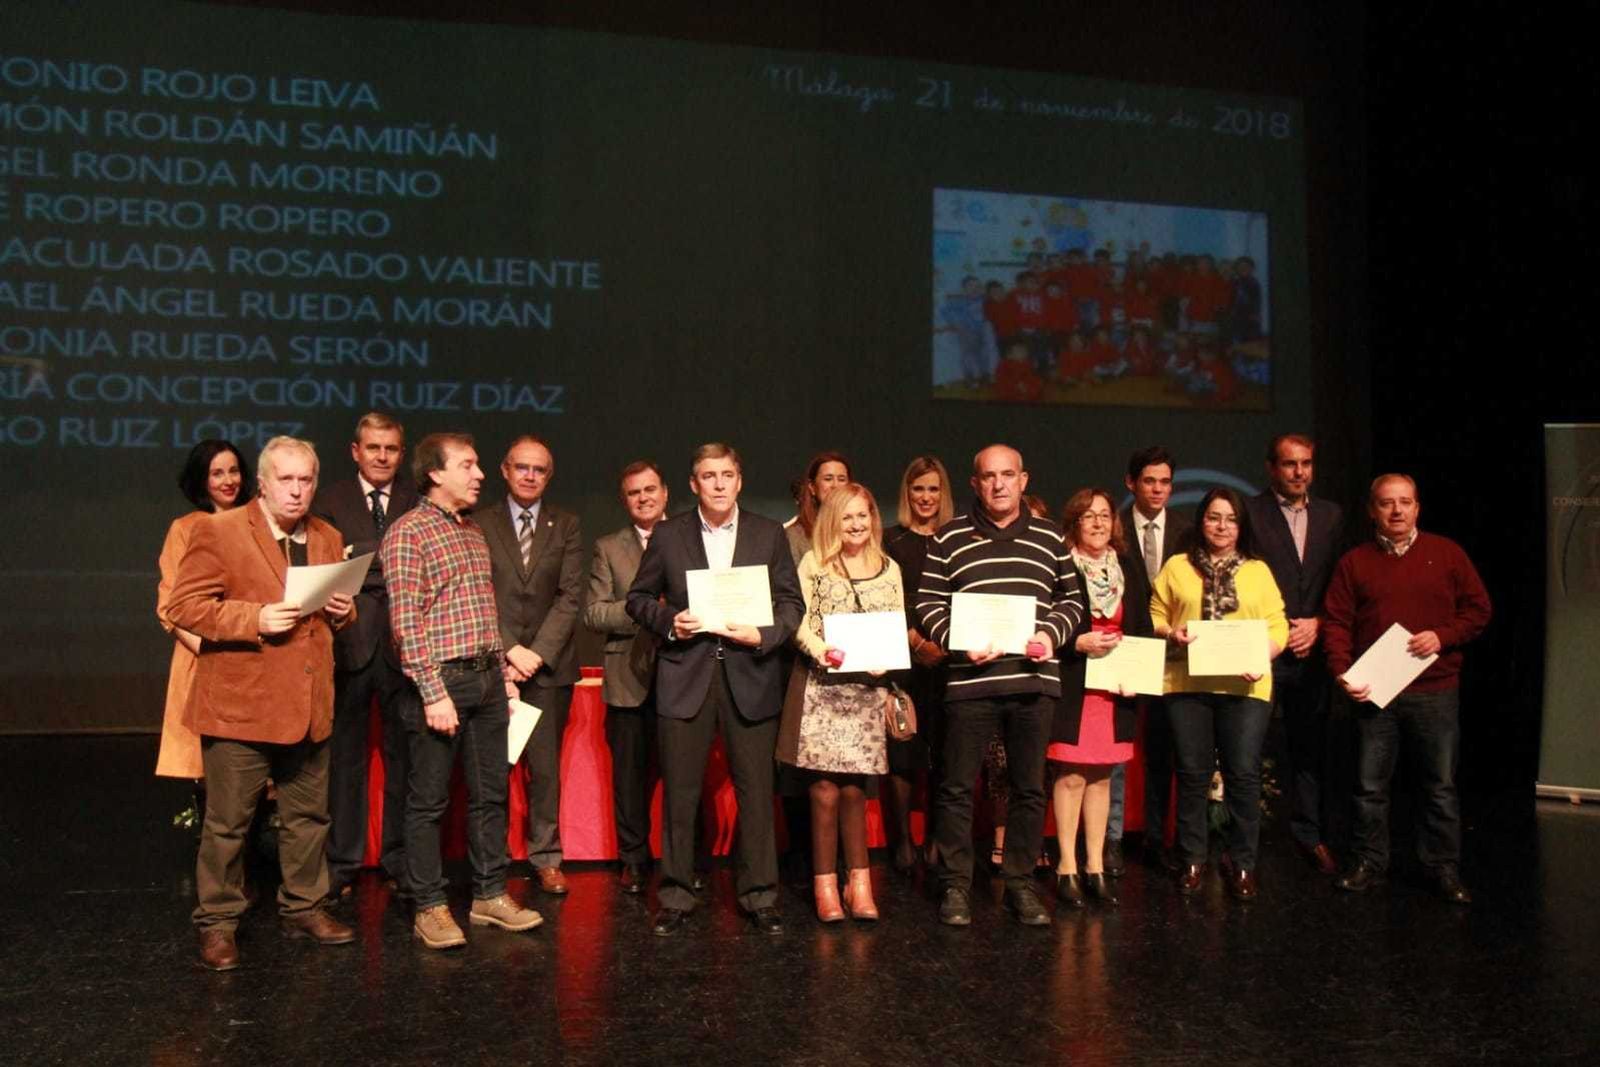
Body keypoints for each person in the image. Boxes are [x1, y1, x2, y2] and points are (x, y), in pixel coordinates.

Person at [167, 436, 356, 970]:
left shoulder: (327, 535)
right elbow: (184, 606)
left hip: (308, 705)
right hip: (240, 707)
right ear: (263, 483)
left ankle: (304, 906)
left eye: (306, 480)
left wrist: (344, 611)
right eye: (286, 480)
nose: (297, 491)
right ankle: (218, 922)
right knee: (228, 823)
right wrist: (253, 618)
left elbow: (335, 619)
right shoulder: (219, 531)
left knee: (308, 817)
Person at [627, 443, 804, 937]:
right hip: (686, 676)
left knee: (756, 794)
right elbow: (637, 598)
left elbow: (791, 604)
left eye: (727, 474)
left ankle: (760, 895)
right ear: (694, 484)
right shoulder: (669, 535)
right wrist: (670, 621)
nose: (719, 484)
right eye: (709, 476)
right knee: (681, 795)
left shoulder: (768, 534)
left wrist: (763, 634)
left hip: (751, 676)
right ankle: (676, 895)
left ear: (740, 480)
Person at [383, 433, 544, 950]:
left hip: (487, 682)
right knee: (428, 802)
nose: (480, 475)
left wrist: (501, 674)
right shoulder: (408, 532)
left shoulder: (472, 532)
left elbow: (481, 612)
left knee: (490, 795)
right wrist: (433, 693)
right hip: (441, 683)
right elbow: (406, 622)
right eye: (468, 465)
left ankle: (489, 894)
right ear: (435, 473)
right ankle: (429, 905)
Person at [916, 444, 1088, 927]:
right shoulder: (949, 537)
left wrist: (1049, 634)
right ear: (975, 484)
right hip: (970, 682)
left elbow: (1073, 601)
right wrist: (959, 641)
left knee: (1028, 788)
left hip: (1032, 682)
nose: (999, 484)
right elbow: (927, 603)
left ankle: (1020, 884)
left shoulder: (1050, 537)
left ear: (1023, 480)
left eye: (1008, 475)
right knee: (956, 787)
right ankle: (955, 885)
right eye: (989, 476)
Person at [1324, 474, 1491, 905]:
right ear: (1372, 510)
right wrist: (1342, 671)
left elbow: (1478, 610)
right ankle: (1368, 862)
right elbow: (1338, 622)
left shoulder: (1447, 553)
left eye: (1405, 502)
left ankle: (1442, 867)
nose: (1396, 510)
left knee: (1439, 785)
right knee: (1369, 787)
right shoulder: (1354, 562)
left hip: (1435, 690)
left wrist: (1442, 636)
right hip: (1376, 692)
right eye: (1386, 503)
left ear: (1417, 508)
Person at [1149, 487, 1287, 900]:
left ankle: (1242, 863)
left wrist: (1262, 656)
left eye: (1230, 519)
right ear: (1201, 521)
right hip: (1187, 685)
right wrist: (1171, 632)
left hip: (1246, 686)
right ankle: (1193, 858)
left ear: (1241, 526)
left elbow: (1278, 624)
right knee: (1192, 775)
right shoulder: (1178, 566)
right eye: (1213, 517)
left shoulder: (1258, 571)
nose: (1222, 526)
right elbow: (1156, 613)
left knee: (1242, 774)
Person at [779, 484, 904, 922]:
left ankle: (859, 885)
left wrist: (886, 660)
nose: (856, 524)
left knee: (855, 791)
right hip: (822, 685)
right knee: (824, 790)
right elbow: (797, 621)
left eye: (862, 515)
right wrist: (821, 650)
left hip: (866, 689)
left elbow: (895, 622)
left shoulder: (889, 567)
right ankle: (825, 887)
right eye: (847, 516)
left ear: (873, 518)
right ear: (833, 520)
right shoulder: (814, 564)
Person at [310, 412, 418, 900]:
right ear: (355, 451)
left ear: (401, 453)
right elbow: (328, 569)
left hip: (405, 646)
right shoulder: (329, 501)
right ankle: (342, 863)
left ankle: (399, 859)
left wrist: (360, 556)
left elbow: (371, 566)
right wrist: (386, 559)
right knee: (345, 763)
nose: (381, 456)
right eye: (373, 447)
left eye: (390, 449)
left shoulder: (417, 499)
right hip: (347, 644)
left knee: (404, 760)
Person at [480, 435, 583, 895]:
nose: (529, 475)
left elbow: (570, 596)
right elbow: (477, 592)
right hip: (492, 665)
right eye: (521, 467)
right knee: (493, 767)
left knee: (544, 770)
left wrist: (534, 654)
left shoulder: (567, 525)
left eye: (539, 469)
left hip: (548, 668)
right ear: (505, 470)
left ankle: (546, 857)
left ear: (549, 475)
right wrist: (508, 649)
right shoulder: (479, 523)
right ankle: (493, 859)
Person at [1048, 488, 1154, 910]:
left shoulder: (1127, 567)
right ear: (1074, 523)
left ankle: (1094, 866)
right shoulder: (1061, 565)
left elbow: (1142, 627)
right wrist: (1077, 642)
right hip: (1075, 687)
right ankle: (1067, 867)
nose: (1097, 523)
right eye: (1088, 516)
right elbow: (1046, 625)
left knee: (1101, 778)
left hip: (1115, 690)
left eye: (1105, 515)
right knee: (1072, 776)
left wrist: (1138, 674)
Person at [1243, 434, 1344, 873]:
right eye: (1289, 464)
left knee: (1309, 748)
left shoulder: (1331, 515)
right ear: (1272, 468)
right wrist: (1281, 628)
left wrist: (1319, 621)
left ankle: (1309, 834)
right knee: (1249, 747)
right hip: (1263, 647)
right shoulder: (1249, 512)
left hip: (1311, 649)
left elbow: (1339, 579)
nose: (1299, 472)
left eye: (1306, 463)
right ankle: (1243, 842)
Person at [583, 460, 669, 894]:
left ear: (665, 493)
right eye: (634, 493)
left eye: (650, 489)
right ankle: (633, 860)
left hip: (682, 676)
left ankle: (683, 862)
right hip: (628, 680)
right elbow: (594, 613)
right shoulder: (607, 547)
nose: (643, 498)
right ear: (624, 500)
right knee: (630, 781)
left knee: (683, 779)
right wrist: (644, 608)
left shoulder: (690, 537)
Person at [1112, 445, 1191, 874]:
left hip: (1171, 652)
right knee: (1117, 749)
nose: (1158, 489)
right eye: (1149, 481)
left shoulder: (1186, 530)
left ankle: (1159, 840)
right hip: (1123, 648)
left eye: (1165, 482)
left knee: (1163, 750)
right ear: (1131, 483)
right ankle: (1110, 840)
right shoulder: (1114, 526)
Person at [156, 439, 250, 783]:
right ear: (202, 479)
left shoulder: (259, 522)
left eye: (234, 471)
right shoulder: (185, 529)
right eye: (217, 473)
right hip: (202, 659)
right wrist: (211, 651)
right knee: (209, 771)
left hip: (254, 655)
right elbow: (170, 607)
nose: (228, 480)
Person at [881, 456, 954, 873]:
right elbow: (885, 599)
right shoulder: (890, 540)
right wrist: (916, 642)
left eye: (933, 489)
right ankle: (903, 841)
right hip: (902, 662)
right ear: (907, 493)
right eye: (918, 489)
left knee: (946, 752)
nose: (926, 497)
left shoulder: (956, 538)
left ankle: (937, 839)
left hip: (949, 661)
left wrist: (942, 645)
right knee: (903, 749)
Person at [785, 451, 851, 566]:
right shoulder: (795, 535)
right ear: (812, 487)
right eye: (828, 479)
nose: (835, 485)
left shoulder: (861, 530)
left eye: (841, 479)